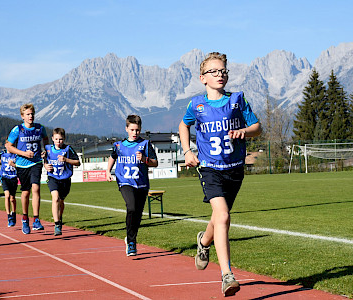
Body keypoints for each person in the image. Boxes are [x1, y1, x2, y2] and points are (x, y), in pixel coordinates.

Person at [178, 52, 261, 297]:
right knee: (223, 216)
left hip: (234, 169)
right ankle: (227, 275)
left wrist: (245, 131)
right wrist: (187, 151)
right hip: (209, 168)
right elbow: (184, 125)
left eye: (223, 71)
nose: (220, 75)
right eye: (214, 71)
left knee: (219, 218)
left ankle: (203, 242)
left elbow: (258, 127)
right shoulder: (196, 104)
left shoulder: (237, 100)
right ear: (202, 77)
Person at [106, 115, 158, 256]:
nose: (135, 133)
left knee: (138, 214)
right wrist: (108, 171)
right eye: (132, 130)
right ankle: (131, 242)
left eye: (137, 130)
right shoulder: (119, 145)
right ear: (126, 129)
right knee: (131, 206)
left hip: (141, 183)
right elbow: (113, 156)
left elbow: (155, 162)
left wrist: (145, 159)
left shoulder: (145, 144)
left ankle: (130, 237)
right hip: (125, 181)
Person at [5, 103, 49, 234]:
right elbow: (8, 146)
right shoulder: (18, 129)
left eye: (32, 114)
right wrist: (23, 153)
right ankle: (25, 218)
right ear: (22, 116)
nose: (31, 116)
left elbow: (46, 139)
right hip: (22, 164)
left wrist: (45, 151)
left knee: (36, 187)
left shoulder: (40, 128)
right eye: (28, 114)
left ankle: (36, 219)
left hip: (36, 162)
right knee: (26, 192)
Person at [43, 128, 80, 236]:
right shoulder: (48, 149)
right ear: (52, 139)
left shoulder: (68, 149)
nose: (58, 142)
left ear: (64, 139)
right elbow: (44, 159)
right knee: (55, 199)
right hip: (53, 177)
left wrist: (66, 160)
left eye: (61, 139)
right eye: (56, 139)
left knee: (61, 201)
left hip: (65, 180)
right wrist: (45, 165)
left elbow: (78, 162)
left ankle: (59, 217)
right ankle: (57, 224)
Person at [0, 149, 18, 227]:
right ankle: (9, 216)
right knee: (7, 196)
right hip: (4, 177)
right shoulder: (3, 154)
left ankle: (13, 213)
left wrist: (13, 164)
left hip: (13, 177)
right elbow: (0, 160)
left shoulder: (16, 155)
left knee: (12, 198)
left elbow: (19, 166)